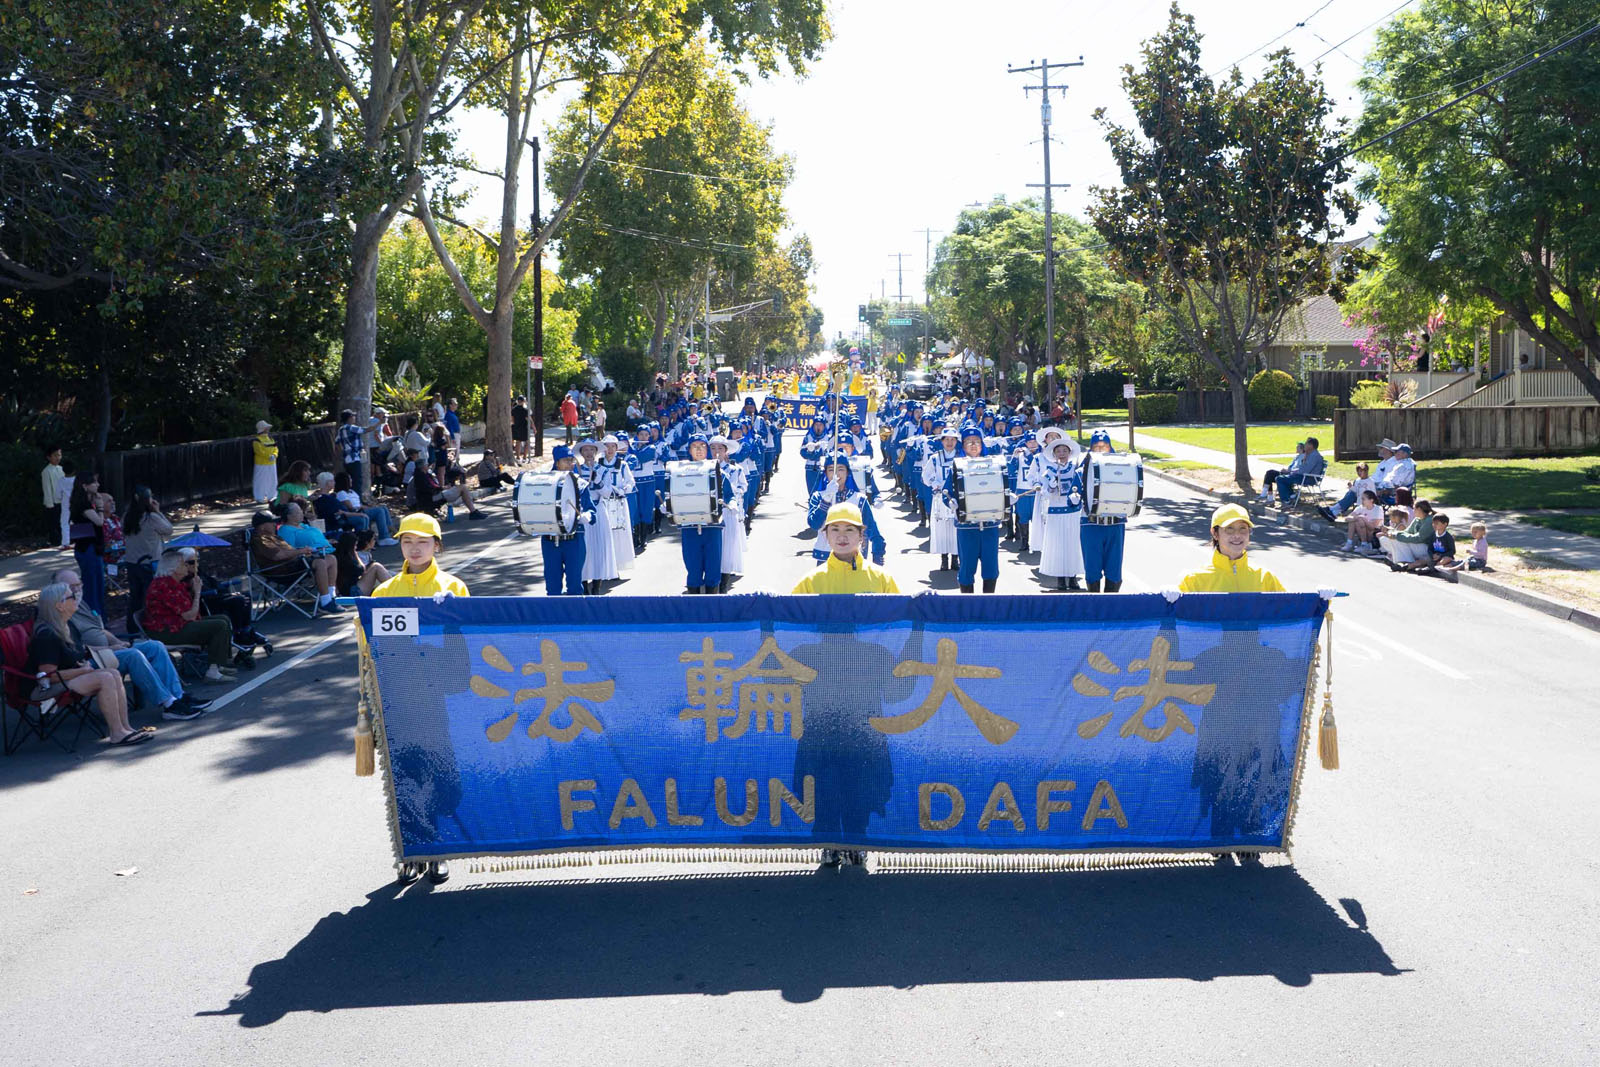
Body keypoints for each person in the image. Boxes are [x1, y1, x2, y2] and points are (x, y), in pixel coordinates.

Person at [369, 512, 467, 887]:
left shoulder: (454, 588)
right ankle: (412, 851)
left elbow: (462, 646)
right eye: (407, 541)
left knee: (441, 771)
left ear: (437, 545)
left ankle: (437, 848)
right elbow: (372, 649)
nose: (414, 547)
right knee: (406, 773)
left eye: (423, 541)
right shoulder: (384, 591)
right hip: (397, 694)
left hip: (436, 696)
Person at [56, 567, 211, 720]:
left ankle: (179, 696)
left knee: (154, 646)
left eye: (79, 584)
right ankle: (169, 704)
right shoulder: (61, 612)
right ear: (59, 590)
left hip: (109, 651)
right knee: (133, 655)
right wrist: (110, 648)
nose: (78, 589)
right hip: (92, 659)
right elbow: (76, 650)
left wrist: (117, 642)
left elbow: (100, 630)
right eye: (73, 587)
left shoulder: (79, 603)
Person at [29, 583, 152, 745]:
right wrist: (83, 671)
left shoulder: (67, 625)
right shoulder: (47, 635)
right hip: (45, 688)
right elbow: (48, 676)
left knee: (113, 673)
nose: (76, 598)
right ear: (59, 606)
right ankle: (116, 734)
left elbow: (83, 649)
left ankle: (126, 728)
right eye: (71, 596)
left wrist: (109, 647)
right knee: (105, 678)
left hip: (71, 677)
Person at [143, 549, 238, 680]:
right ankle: (212, 671)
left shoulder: (176, 583)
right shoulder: (164, 585)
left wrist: (193, 590)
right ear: (174, 568)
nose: (186, 567)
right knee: (219, 625)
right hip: (166, 632)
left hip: (177, 624)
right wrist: (197, 592)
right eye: (183, 564)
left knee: (223, 619)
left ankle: (219, 663)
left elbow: (189, 612)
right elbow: (190, 616)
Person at [792, 506, 902, 594]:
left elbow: (900, 617)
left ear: (861, 535)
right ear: (826, 535)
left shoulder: (882, 579)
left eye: (849, 529)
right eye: (835, 529)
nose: (842, 536)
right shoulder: (810, 583)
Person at [250, 510, 343, 615]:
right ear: (262, 526)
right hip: (282, 570)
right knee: (320, 563)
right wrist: (301, 551)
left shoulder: (273, 536)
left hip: (293, 564)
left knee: (331, 558)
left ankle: (331, 596)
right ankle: (325, 602)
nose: (274, 524)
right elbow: (278, 555)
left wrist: (303, 552)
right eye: (271, 522)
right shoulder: (261, 539)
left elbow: (288, 551)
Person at [1177, 504, 1285, 592]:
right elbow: (1174, 613)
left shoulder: (1265, 578)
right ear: (1215, 533)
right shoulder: (1194, 580)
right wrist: (1168, 601)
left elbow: (1290, 610)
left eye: (1243, 528)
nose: (1237, 535)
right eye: (1229, 529)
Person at [675, 433, 734, 594]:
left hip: (712, 526)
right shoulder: (679, 470)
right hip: (689, 526)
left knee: (713, 568)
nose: (699, 450)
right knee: (693, 568)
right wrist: (669, 507)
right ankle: (693, 610)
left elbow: (729, 494)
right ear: (689, 450)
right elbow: (672, 491)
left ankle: (712, 609)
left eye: (702, 446)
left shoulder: (716, 470)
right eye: (695, 446)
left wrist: (732, 503)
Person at [1078, 429, 1132, 592]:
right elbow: (1072, 495)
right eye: (1097, 447)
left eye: (1104, 446)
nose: (1101, 450)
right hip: (1090, 524)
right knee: (1092, 568)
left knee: (1114, 568)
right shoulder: (1082, 469)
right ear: (1091, 448)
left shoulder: (1121, 467)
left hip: (1115, 524)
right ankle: (1095, 607)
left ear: (1110, 447)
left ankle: (1112, 609)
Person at [539, 445, 595, 596]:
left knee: (575, 585)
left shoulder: (580, 484)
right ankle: (555, 618)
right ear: (557, 462)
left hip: (574, 540)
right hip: (550, 540)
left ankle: (575, 618)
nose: (571, 464)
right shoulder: (544, 483)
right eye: (566, 460)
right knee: (552, 586)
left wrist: (588, 516)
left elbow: (592, 510)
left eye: (572, 460)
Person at [1037, 436, 1086, 592]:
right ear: (1054, 453)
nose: (1062, 453)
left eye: (1065, 450)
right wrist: (1051, 486)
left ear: (1070, 452)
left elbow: (1083, 487)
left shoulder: (1075, 469)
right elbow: (1045, 492)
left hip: (1072, 511)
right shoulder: (1049, 470)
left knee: (1072, 544)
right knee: (1058, 545)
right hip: (1056, 512)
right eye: (1059, 451)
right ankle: (1060, 579)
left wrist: (1078, 498)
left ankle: (1072, 577)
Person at [121, 486, 173, 615]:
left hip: (132, 562)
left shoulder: (126, 517)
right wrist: (158, 511)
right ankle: (149, 624)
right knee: (151, 596)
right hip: (150, 562)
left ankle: (132, 627)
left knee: (135, 597)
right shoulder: (151, 518)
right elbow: (169, 530)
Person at [68, 472, 108, 618]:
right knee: (93, 586)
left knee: (97, 585)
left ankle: (100, 617)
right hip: (88, 549)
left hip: (90, 548)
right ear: (84, 486)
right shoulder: (83, 504)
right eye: (94, 482)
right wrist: (101, 508)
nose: (97, 485)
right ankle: (95, 618)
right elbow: (99, 521)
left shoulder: (84, 502)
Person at [332, 471, 397, 543]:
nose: (351, 480)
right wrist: (363, 508)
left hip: (361, 509)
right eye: (349, 478)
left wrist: (369, 507)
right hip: (355, 512)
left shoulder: (352, 491)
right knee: (379, 511)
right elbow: (351, 507)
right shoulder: (341, 493)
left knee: (383, 508)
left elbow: (359, 503)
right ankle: (384, 537)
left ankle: (391, 530)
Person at [1378, 499, 1436, 571]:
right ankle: (1402, 562)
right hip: (1417, 545)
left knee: (1398, 539)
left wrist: (1397, 536)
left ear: (1419, 509)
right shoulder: (1417, 519)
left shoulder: (1429, 521)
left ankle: (1406, 563)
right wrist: (1393, 533)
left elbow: (1419, 538)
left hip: (1426, 548)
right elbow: (1407, 532)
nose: (1413, 510)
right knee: (1392, 539)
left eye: (1414, 508)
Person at [335, 529, 391, 597]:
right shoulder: (346, 559)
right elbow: (362, 570)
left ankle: (394, 587)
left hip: (352, 588)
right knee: (376, 566)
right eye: (355, 545)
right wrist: (355, 554)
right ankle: (395, 589)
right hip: (353, 591)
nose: (356, 547)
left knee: (376, 567)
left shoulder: (340, 556)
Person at [1341, 490, 1385, 554]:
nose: (1362, 501)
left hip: (1373, 534)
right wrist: (1356, 518)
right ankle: (1349, 543)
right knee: (1353, 521)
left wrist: (1363, 518)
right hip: (1362, 532)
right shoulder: (1360, 508)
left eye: (1363, 499)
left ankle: (1365, 545)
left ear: (1371, 500)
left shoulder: (1378, 509)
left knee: (1360, 519)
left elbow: (1373, 527)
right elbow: (1347, 518)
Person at [335, 409, 366, 497]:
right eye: (353, 416)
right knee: (357, 481)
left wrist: (342, 452)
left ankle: (353, 499)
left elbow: (337, 442)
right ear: (349, 418)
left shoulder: (341, 429)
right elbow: (366, 430)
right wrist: (379, 423)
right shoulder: (351, 427)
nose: (354, 418)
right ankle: (358, 501)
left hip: (347, 459)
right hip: (354, 458)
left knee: (350, 481)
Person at [251, 420, 279, 504]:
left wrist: (274, 455)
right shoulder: (257, 440)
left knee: (272, 480)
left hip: (272, 463)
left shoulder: (271, 439)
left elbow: (275, 448)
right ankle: (259, 497)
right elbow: (258, 451)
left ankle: (272, 496)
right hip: (261, 464)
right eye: (267, 427)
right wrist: (268, 456)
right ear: (263, 429)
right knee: (260, 480)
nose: (268, 429)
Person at [41, 445, 65, 542]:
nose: (58, 457)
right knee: (54, 523)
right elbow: (47, 488)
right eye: (55, 455)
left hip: (63, 500)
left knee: (64, 522)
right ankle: (55, 541)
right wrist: (49, 504)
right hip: (54, 502)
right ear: (48, 457)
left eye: (59, 455)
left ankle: (65, 539)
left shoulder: (62, 469)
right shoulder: (46, 471)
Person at [511, 396, 531, 464]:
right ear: (523, 401)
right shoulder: (525, 410)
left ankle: (518, 457)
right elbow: (529, 419)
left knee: (518, 442)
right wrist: (533, 427)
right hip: (524, 427)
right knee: (527, 442)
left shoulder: (513, 409)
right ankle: (525, 457)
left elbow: (512, 420)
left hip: (516, 427)